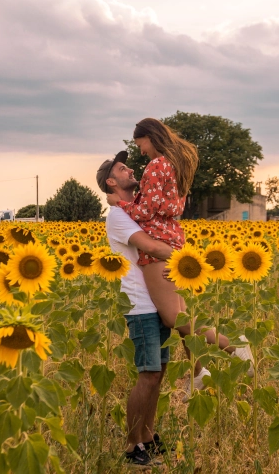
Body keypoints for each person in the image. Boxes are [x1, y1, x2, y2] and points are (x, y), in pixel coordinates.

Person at [106, 119, 254, 394]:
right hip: (173, 233)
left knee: (173, 318)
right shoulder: (175, 163)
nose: (140, 152)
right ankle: (198, 373)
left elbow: (146, 212)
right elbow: (170, 206)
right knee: (178, 315)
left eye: (140, 145)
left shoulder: (156, 165)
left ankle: (235, 346)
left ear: (150, 137)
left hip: (159, 242)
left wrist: (120, 203)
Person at [97, 151, 173, 466]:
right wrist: (187, 259)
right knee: (149, 373)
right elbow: (152, 246)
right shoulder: (117, 216)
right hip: (139, 303)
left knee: (160, 373)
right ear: (111, 182)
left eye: (128, 164)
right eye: (122, 167)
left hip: (157, 299)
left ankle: (148, 436)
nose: (131, 168)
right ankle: (132, 446)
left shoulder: (136, 210)